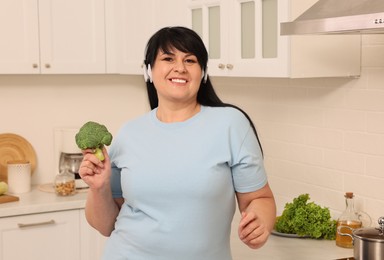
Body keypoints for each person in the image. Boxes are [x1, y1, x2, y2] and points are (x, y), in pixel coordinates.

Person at [79, 26, 276, 260]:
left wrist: (260, 222)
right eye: (168, 58)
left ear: (202, 72)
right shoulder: (129, 133)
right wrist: (99, 188)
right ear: (149, 70)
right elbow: (105, 226)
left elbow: (259, 199)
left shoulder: (230, 124)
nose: (180, 68)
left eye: (190, 60)